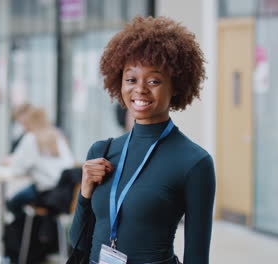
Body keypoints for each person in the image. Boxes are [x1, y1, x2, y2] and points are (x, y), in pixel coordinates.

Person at [70, 16, 216, 264]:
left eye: (154, 81)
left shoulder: (195, 163)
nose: (140, 89)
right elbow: (78, 242)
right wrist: (84, 194)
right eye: (131, 79)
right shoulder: (102, 151)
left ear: (176, 86)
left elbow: (197, 257)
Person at [3, 107, 75, 219]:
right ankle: (36, 230)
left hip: (46, 193)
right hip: (66, 194)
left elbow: (18, 169)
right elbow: (69, 163)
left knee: (13, 203)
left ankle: (23, 233)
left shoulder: (31, 138)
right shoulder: (58, 136)